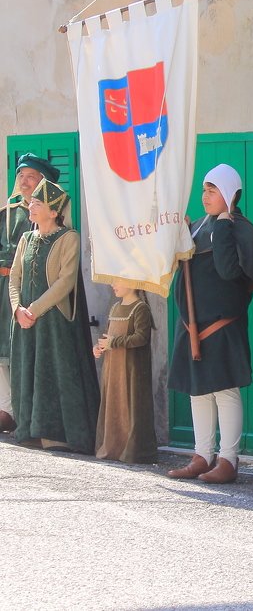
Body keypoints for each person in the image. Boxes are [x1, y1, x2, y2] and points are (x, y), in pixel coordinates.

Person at [166, 164, 253, 484]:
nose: (205, 196)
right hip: (193, 326)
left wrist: (222, 226)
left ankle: (228, 459)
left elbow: (227, 271)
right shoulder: (196, 227)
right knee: (199, 392)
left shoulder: (239, 229)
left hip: (222, 325)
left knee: (224, 391)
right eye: (204, 190)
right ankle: (202, 455)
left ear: (228, 193)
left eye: (212, 190)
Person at [9, 178, 100, 453]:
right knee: (28, 371)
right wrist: (17, 309)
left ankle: (59, 435)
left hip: (54, 323)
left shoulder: (68, 238)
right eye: (32, 202)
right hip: (25, 322)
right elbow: (15, 277)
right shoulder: (26, 238)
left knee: (56, 374)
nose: (32, 207)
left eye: (38, 203)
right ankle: (29, 431)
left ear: (53, 212)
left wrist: (34, 309)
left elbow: (65, 281)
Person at [0, 154, 57, 434]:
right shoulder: (7, 211)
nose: (24, 181)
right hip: (3, 287)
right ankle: (6, 409)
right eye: (21, 175)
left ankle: (26, 412)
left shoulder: (50, 215)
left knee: (21, 348)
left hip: (28, 289)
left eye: (31, 176)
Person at [93, 280, 157, 463]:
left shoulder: (140, 308)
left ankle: (133, 451)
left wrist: (114, 342)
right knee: (114, 404)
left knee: (131, 406)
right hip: (113, 368)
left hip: (131, 369)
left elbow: (141, 338)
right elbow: (108, 334)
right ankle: (113, 447)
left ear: (133, 281)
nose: (113, 284)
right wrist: (100, 347)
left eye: (118, 280)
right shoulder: (114, 308)